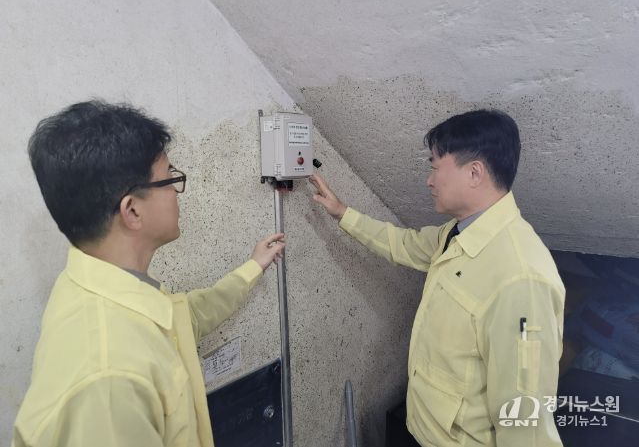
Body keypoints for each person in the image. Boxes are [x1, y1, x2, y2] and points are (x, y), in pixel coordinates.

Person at [12, 100, 285, 447]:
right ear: (132, 211)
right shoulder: (109, 383)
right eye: (169, 178)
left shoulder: (95, 285)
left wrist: (254, 266)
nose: (176, 191)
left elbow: (186, 317)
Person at [310, 110, 565, 446]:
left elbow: (525, 424)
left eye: (435, 167)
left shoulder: (521, 279)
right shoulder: (458, 234)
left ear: (474, 173)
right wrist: (342, 213)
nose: (429, 181)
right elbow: (403, 244)